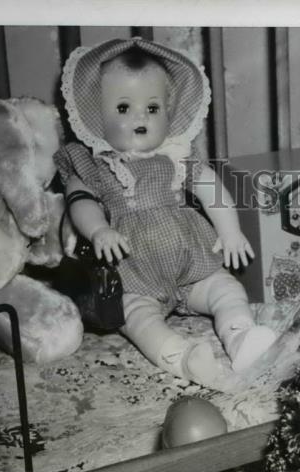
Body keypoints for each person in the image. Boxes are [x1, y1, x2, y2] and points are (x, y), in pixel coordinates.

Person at [56, 38, 276, 387]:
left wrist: (230, 232)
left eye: (153, 108)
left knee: (227, 289)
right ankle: (184, 358)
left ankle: (241, 336)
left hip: (191, 267)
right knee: (137, 318)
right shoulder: (94, 165)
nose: (141, 116)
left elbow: (210, 186)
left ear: (169, 113)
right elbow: (78, 200)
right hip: (133, 273)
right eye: (124, 108)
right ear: (97, 116)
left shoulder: (175, 158)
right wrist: (98, 230)